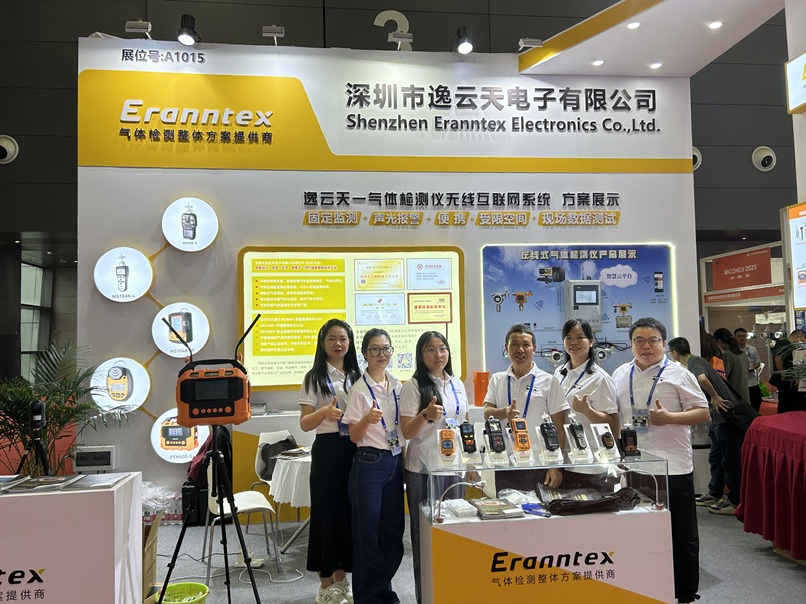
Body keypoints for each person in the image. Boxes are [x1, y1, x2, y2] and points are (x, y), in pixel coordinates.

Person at [612, 318, 709, 604]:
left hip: (673, 466)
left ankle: (685, 593)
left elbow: (703, 411)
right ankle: (644, 586)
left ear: (664, 344)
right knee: (638, 530)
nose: (646, 346)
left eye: (652, 340)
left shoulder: (679, 374)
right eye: (639, 340)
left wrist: (670, 418)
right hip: (633, 466)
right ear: (631, 344)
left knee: (680, 532)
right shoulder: (620, 373)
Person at [399, 331, 469, 604]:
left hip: (454, 469)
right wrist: (425, 415)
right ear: (421, 354)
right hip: (424, 470)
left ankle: (452, 593)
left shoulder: (456, 383)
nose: (438, 355)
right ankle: (426, 596)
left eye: (442, 348)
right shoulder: (414, 386)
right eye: (430, 349)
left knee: (455, 532)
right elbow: (407, 431)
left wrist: (469, 462)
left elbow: (462, 424)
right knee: (425, 538)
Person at [299, 319, 362, 604]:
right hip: (327, 451)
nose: (338, 344)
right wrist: (324, 412)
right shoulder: (314, 377)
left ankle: (342, 580)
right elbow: (304, 423)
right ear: (322, 343)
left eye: (343, 339)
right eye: (332, 339)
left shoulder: (357, 375)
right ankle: (325, 584)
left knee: (347, 517)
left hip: (354, 448)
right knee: (326, 517)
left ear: (350, 343)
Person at [342, 328, 404, 604]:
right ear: (365, 354)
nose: (381, 354)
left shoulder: (398, 384)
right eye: (375, 349)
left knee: (392, 535)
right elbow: (353, 437)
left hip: (395, 461)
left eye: (386, 349)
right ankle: (369, 598)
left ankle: (381, 592)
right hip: (369, 463)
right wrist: (367, 419)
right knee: (367, 535)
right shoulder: (359, 389)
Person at [483, 323, 568, 491]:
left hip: (539, 462)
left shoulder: (549, 381)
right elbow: (487, 413)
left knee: (540, 507)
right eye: (514, 344)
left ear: (534, 348)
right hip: (505, 461)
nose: (520, 350)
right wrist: (505, 412)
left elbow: (559, 426)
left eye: (526, 345)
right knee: (507, 506)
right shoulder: (497, 380)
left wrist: (556, 466)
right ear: (506, 348)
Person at [668, 336, 744, 516]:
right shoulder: (693, 364)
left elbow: (702, 379)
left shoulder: (694, 362)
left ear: (675, 353)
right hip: (716, 420)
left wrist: (714, 397)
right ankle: (714, 493)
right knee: (716, 457)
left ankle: (735, 501)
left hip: (726, 417)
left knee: (729, 460)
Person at [554, 319, 620, 490]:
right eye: (568, 338)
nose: (573, 342)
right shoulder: (559, 373)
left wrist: (587, 410)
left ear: (591, 342)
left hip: (591, 465)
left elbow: (613, 425)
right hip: (565, 460)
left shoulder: (600, 378)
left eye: (580, 337)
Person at [712, 328, 750, 405]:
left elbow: (722, 377)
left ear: (719, 341)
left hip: (734, 396)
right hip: (744, 394)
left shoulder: (728, 355)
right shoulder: (742, 354)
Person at [772, 329, 806, 414]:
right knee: (785, 401)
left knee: (792, 400)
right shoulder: (783, 343)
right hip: (785, 377)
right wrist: (783, 373)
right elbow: (777, 359)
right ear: (797, 337)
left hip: (790, 377)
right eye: (802, 340)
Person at [733, 327, 762, 411]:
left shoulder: (752, 349)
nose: (742, 338)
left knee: (756, 402)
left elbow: (757, 363)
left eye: (744, 336)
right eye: (739, 336)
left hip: (751, 381)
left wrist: (753, 368)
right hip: (738, 383)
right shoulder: (731, 351)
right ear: (734, 337)